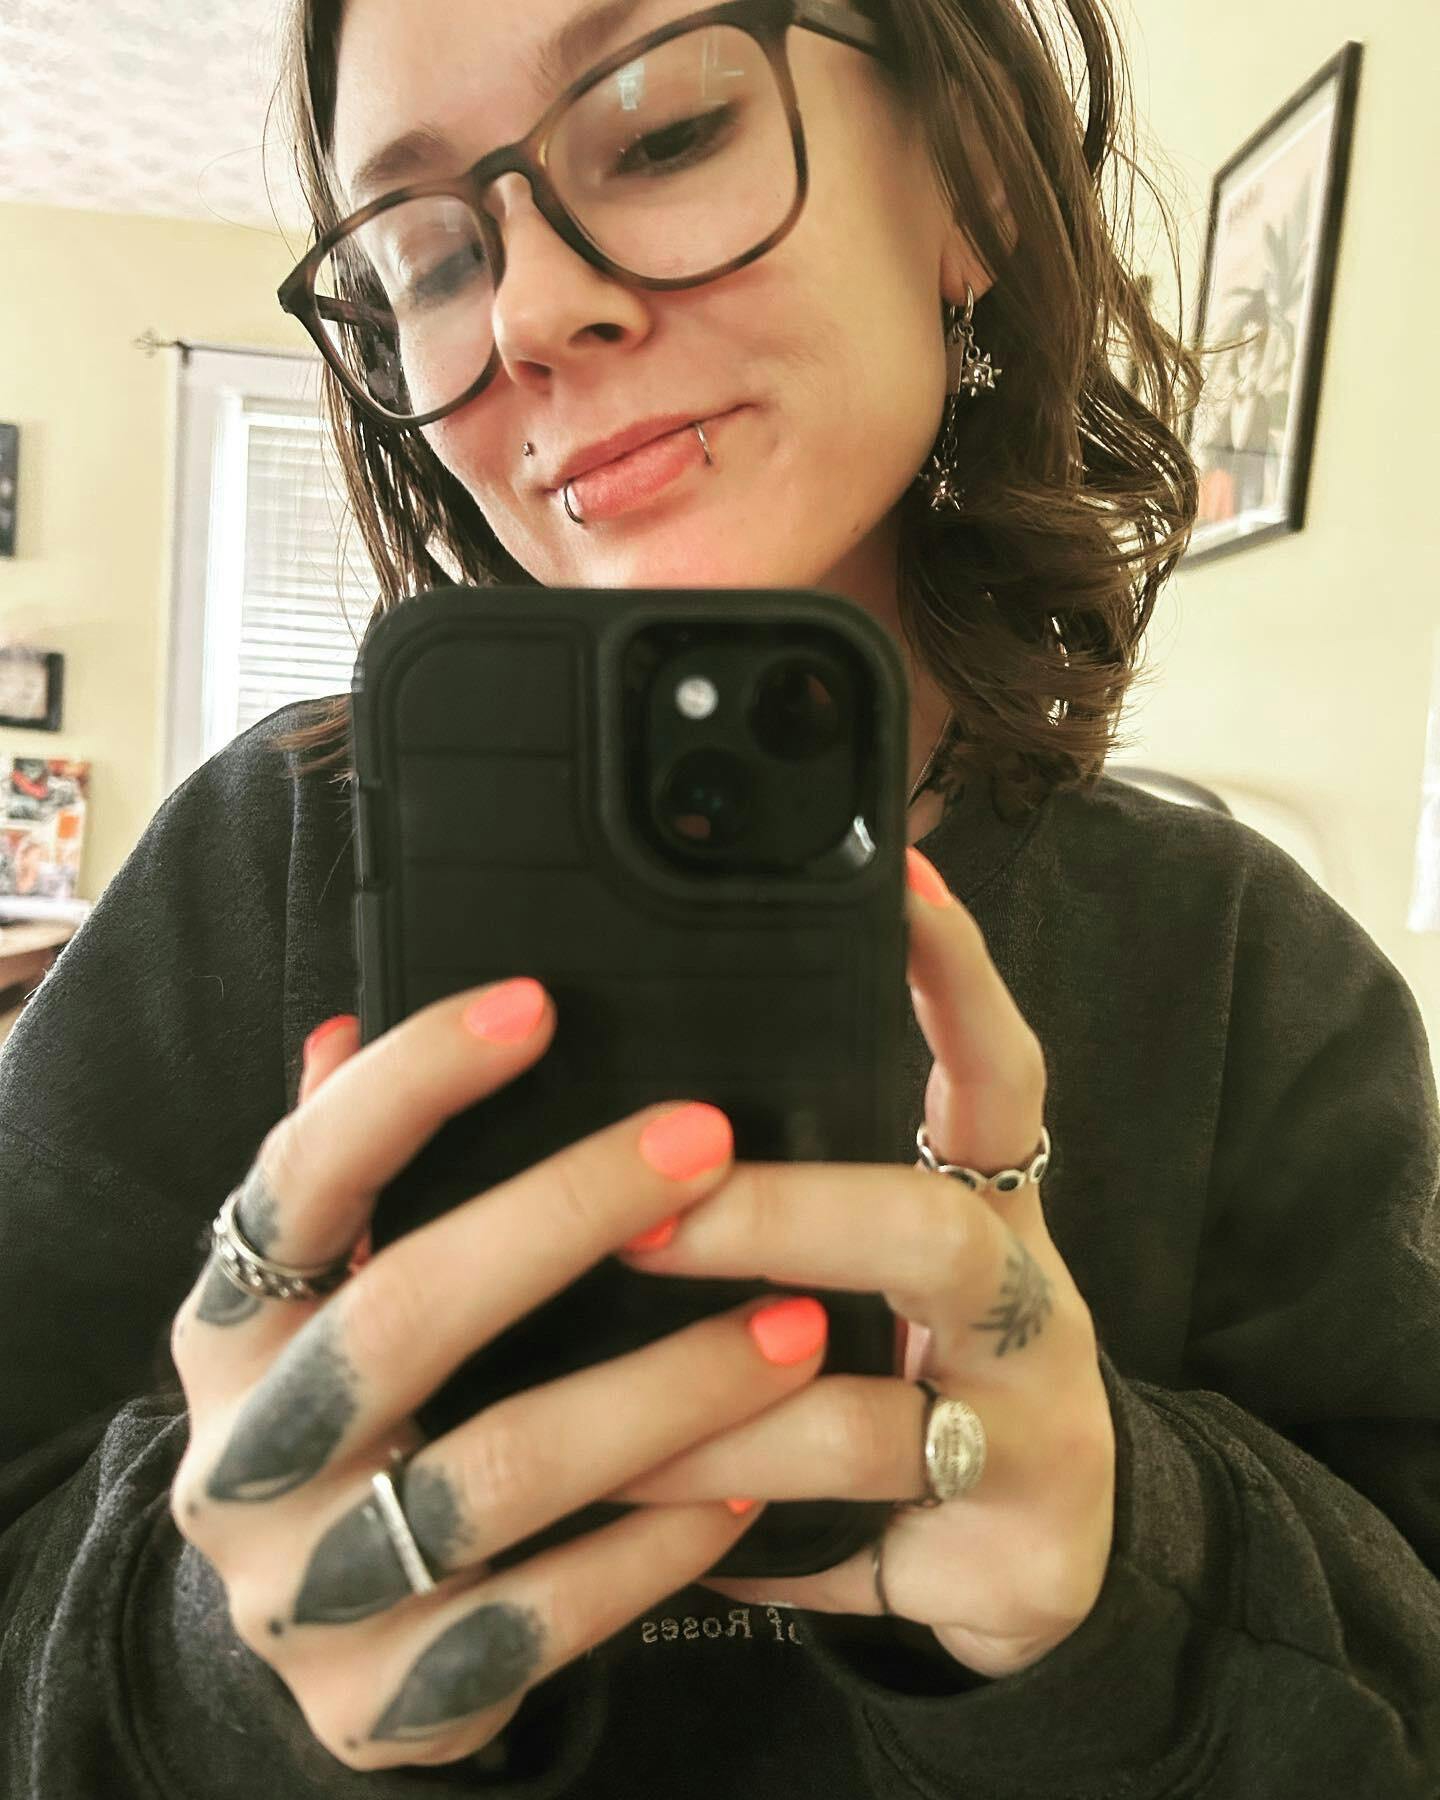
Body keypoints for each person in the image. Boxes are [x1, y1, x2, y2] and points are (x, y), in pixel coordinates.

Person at [2, 0, 1438, 1792]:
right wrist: (207, 1657)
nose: (526, 313)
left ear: (971, 185)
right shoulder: (247, 869)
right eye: (427, 260)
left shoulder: (1252, 971)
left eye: (663, 128)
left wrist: (1139, 1561)